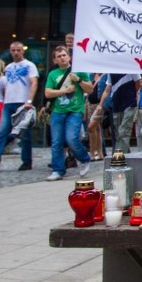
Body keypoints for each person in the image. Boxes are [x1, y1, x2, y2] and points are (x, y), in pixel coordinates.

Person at [0, 41, 39, 173]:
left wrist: (29, 100)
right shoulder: (8, 67)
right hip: (8, 103)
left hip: (23, 102)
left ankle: (26, 161)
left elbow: (34, 83)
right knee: (2, 132)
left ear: (22, 51)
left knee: (25, 134)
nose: (16, 52)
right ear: (10, 51)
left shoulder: (29, 65)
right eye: (13, 50)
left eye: (18, 50)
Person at [44, 46, 92, 181]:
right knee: (56, 141)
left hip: (75, 110)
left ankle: (84, 158)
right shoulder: (53, 74)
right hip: (58, 111)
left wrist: (78, 80)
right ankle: (58, 170)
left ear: (69, 57)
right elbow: (47, 93)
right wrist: (64, 91)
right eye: (58, 56)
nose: (62, 58)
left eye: (64, 55)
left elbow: (90, 89)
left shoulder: (79, 71)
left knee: (71, 138)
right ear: (55, 60)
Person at [98, 73, 140, 154]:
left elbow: (137, 83)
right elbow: (108, 88)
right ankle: (126, 154)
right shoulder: (111, 71)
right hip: (116, 104)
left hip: (129, 103)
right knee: (118, 132)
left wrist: (132, 95)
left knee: (124, 131)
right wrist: (100, 104)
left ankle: (119, 158)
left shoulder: (132, 68)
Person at [86, 73, 106, 161]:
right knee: (96, 128)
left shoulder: (105, 75)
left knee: (91, 127)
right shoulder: (91, 75)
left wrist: (102, 104)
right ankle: (100, 153)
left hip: (99, 105)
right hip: (90, 104)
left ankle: (92, 152)